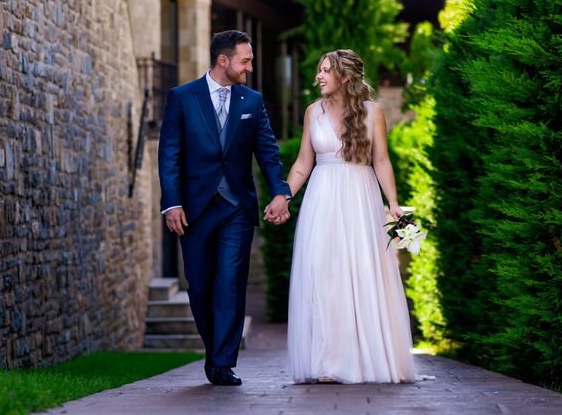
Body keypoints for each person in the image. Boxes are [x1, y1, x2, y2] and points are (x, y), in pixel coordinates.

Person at [158, 30, 291, 386]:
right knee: (200, 286)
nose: (249, 67)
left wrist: (280, 192)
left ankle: (222, 362)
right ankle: (213, 349)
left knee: (231, 282)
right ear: (223, 60)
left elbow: (267, 151)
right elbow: (169, 154)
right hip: (194, 209)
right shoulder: (182, 98)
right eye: (245, 60)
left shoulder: (252, 101)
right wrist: (171, 203)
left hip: (236, 209)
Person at [285, 49, 417, 384]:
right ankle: (327, 361)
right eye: (319, 70)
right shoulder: (313, 112)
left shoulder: (372, 112)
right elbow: (303, 163)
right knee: (323, 274)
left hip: (360, 198)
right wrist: (282, 197)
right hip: (321, 201)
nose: (319, 76)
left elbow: (382, 161)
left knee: (360, 274)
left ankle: (362, 358)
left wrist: (394, 202)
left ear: (345, 77)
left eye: (326, 71)